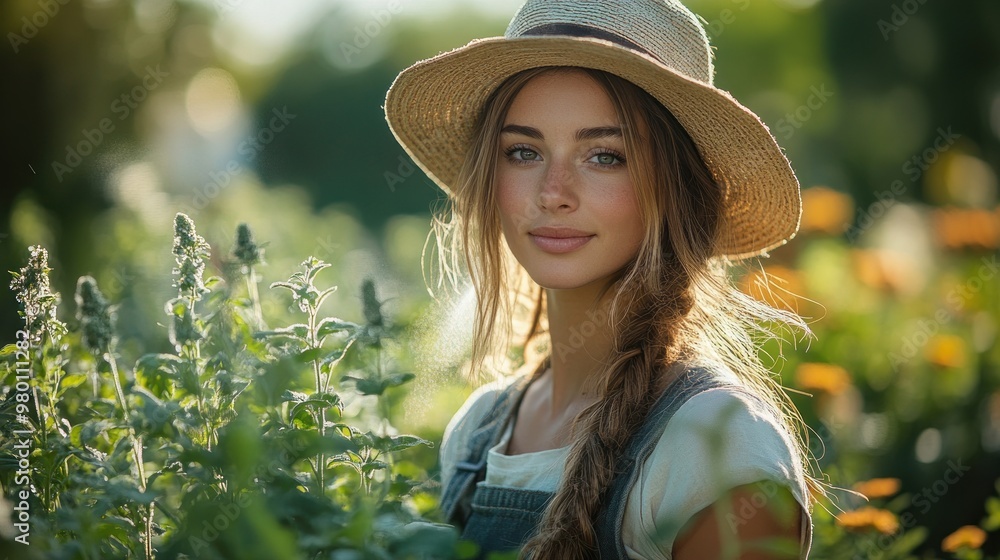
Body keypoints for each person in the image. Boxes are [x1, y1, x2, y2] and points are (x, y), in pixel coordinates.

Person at [384, 0, 826, 558]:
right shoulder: (478, 429)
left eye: (604, 156)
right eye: (524, 151)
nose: (553, 191)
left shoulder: (720, 447)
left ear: (675, 188)